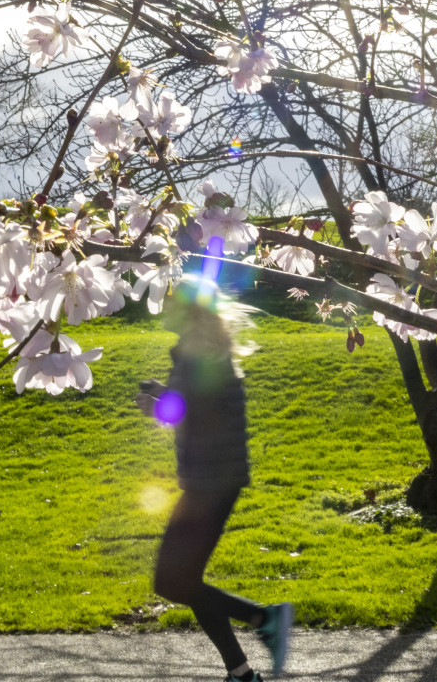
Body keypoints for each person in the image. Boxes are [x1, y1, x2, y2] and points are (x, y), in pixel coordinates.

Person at [135, 281, 293, 681]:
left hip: (210, 481)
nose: (162, 309)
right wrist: (163, 393)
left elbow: (196, 414)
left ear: (188, 312)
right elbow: (198, 401)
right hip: (214, 478)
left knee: (172, 582)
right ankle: (241, 672)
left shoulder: (196, 355)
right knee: (184, 580)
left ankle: (264, 618)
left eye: (169, 302)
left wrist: (156, 408)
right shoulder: (205, 352)